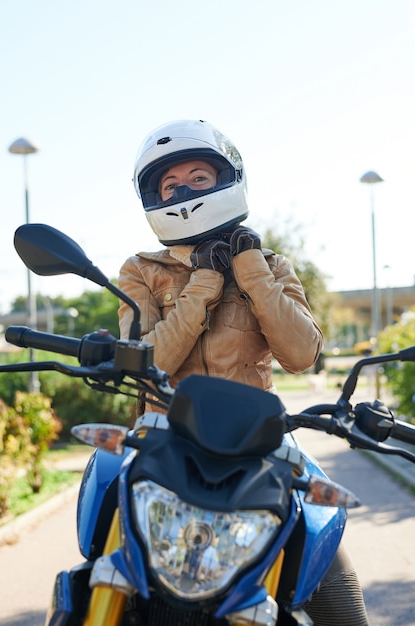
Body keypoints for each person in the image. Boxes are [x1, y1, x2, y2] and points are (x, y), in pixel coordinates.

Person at [118, 119, 369, 625]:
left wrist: (250, 269)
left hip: (259, 440)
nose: (184, 191)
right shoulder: (141, 270)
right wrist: (204, 283)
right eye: (170, 185)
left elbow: (301, 354)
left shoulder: (271, 264)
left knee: (323, 535)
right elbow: (149, 365)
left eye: (198, 177)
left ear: (227, 179)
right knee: (106, 510)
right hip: (164, 434)